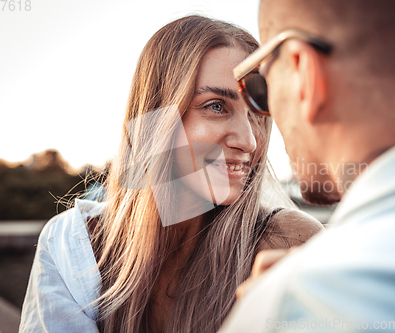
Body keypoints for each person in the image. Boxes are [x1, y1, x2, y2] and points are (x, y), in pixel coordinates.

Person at [19, 15, 323, 333]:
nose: (248, 140)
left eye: (257, 113)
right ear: (156, 116)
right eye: (217, 106)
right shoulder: (76, 242)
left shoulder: (289, 242)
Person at [220, 0, 395, 332]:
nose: (255, 136)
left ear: (302, 71)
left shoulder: (305, 303)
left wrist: (281, 304)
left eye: (260, 87)